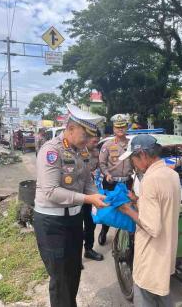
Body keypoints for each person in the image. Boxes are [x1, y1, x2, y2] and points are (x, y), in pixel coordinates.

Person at [34, 104, 107, 307]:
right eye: (85, 135)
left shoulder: (80, 152)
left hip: (73, 220)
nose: (88, 141)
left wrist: (97, 195)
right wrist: (87, 199)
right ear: (71, 128)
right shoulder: (52, 151)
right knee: (60, 277)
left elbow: (87, 180)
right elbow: (51, 191)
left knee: (74, 270)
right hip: (52, 223)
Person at [118, 134, 181, 307]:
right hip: (166, 251)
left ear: (143, 155)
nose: (133, 163)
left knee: (146, 294)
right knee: (162, 294)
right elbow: (163, 206)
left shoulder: (150, 180)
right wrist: (138, 200)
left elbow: (152, 227)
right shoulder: (171, 174)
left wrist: (127, 210)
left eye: (133, 158)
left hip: (151, 255)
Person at [98, 114, 133, 245]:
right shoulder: (107, 144)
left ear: (126, 127)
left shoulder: (131, 144)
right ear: (113, 128)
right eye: (117, 127)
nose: (120, 129)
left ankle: (126, 235)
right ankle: (104, 231)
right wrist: (106, 173)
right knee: (109, 208)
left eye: (122, 126)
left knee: (127, 207)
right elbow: (101, 163)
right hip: (111, 182)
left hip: (126, 181)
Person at [82, 129, 103, 261]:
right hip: (76, 193)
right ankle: (75, 257)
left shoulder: (96, 152)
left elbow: (101, 166)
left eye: (97, 141)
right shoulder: (77, 150)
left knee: (91, 223)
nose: (95, 144)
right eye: (94, 141)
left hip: (91, 192)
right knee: (76, 225)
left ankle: (88, 249)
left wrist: (100, 172)